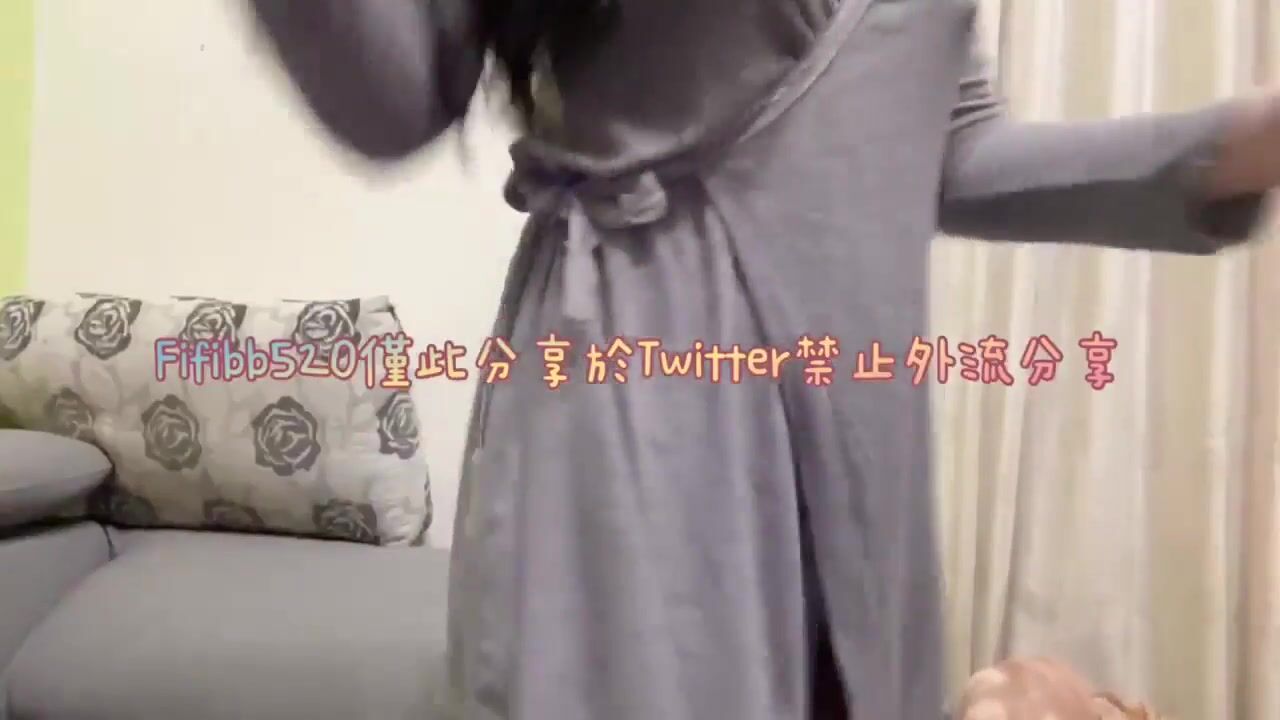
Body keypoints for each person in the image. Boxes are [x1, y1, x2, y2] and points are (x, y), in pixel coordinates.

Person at [250, 1, 1279, 718]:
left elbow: (948, 150)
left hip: (851, 458)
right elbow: (391, 93)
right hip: (638, 411)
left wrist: (1245, 143)